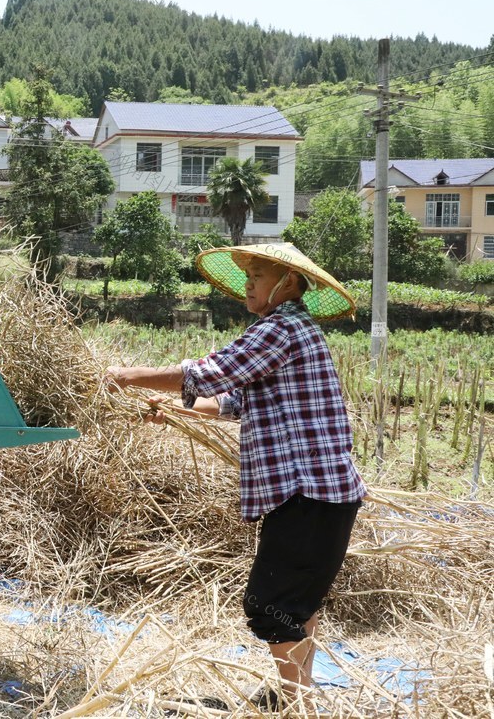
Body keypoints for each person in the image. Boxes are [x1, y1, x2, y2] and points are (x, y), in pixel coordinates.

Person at [107, 243, 366, 713]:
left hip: (307, 492)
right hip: (321, 495)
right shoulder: (291, 330)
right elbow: (235, 402)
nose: (248, 282)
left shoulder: (280, 328)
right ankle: (299, 699)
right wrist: (175, 411)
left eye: (259, 274)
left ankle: (298, 704)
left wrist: (126, 376)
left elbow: (213, 373)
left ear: (287, 283)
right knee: (295, 604)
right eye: (247, 274)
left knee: (271, 603)